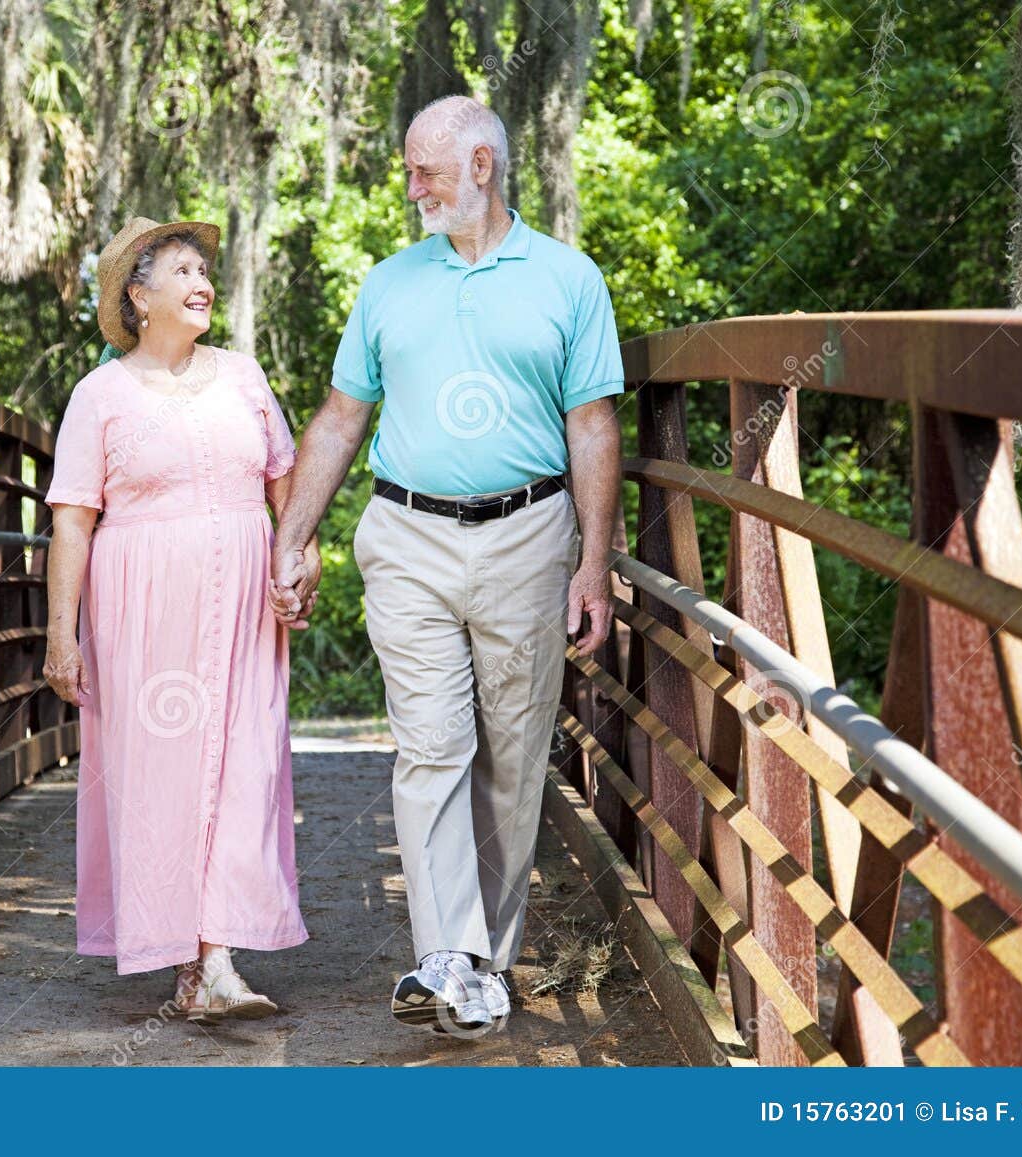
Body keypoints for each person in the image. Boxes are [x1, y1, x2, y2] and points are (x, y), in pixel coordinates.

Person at [269, 96, 625, 1036]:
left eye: (425, 169)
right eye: (408, 169)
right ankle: (447, 955)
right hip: (407, 537)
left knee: (513, 756)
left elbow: (593, 424)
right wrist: (293, 535)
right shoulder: (390, 282)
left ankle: (484, 965)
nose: (412, 185)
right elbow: (343, 414)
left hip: (528, 534)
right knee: (431, 745)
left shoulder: (566, 277)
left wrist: (596, 562)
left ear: (481, 164)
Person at [43, 215, 319, 1023]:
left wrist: (300, 564)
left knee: (245, 764)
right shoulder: (98, 396)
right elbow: (71, 522)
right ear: (139, 294)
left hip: (241, 603)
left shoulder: (242, 375)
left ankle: (216, 959)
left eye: (206, 270)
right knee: (162, 775)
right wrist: (63, 633)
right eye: (184, 271)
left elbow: (287, 493)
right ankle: (200, 964)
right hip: (141, 607)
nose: (204, 283)